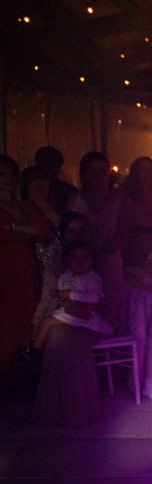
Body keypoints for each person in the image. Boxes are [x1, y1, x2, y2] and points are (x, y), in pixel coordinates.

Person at [30, 212, 113, 427]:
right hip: (63, 315)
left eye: (82, 230)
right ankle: (55, 411)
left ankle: (81, 410)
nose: (77, 236)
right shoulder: (58, 262)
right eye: (71, 231)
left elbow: (104, 298)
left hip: (91, 318)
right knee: (57, 339)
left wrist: (84, 305)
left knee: (73, 342)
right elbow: (53, 295)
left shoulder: (96, 259)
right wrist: (67, 306)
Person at [1, 155, 54, 383]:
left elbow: (44, 227)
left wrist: (12, 228)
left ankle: (22, 373)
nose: (9, 178)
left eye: (13, 173)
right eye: (2, 174)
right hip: (4, 268)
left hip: (25, 267)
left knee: (26, 317)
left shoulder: (25, 204)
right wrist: (25, 231)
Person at [16, 241, 111, 367]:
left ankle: (35, 354)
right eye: (75, 258)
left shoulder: (92, 278)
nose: (80, 262)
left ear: (92, 260)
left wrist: (71, 294)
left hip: (86, 315)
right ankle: (32, 349)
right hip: (68, 310)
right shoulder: (66, 275)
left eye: (85, 258)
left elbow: (94, 298)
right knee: (43, 322)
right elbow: (61, 292)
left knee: (46, 323)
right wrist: (56, 294)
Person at [70, 152, 130, 328]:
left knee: (109, 309)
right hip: (79, 262)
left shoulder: (122, 199)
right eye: (93, 171)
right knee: (81, 308)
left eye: (103, 171)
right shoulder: (76, 197)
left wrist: (97, 255)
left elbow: (121, 236)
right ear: (84, 173)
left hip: (109, 262)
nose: (99, 176)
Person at [122, 156, 152, 269]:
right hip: (133, 243)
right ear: (135, 170)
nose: (146, 173)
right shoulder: (126, 192)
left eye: (150, 169)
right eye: (142, 169)